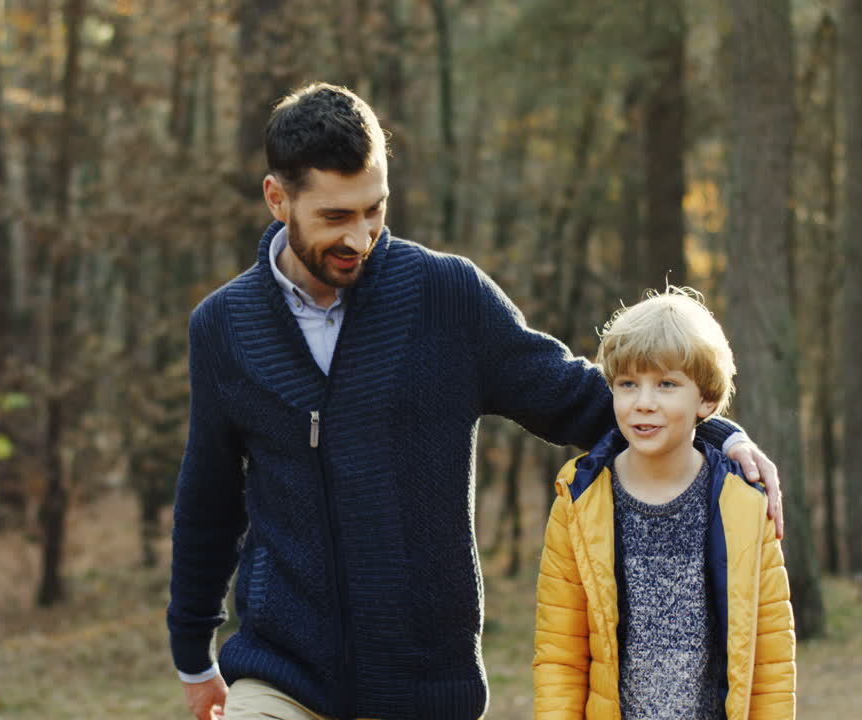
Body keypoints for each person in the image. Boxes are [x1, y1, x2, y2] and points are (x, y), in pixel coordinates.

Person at [168, 82, 781, 720]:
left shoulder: (447, 296)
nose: (361, 236)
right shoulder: (224, 327)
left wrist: (717, 432)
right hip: (282, 676)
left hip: (427, 690)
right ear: (277, 199)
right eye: (335, 217)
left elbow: (580, 397)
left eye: (375, 209)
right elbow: (209, 500)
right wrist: (193, 655)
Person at [532, 287, 795, 719]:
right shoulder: (579, 500)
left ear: (706, 399)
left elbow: (771, 664)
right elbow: (560, 656)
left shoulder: (745, 504)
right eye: (628, 384)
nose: (644, 403)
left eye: (667, 384)